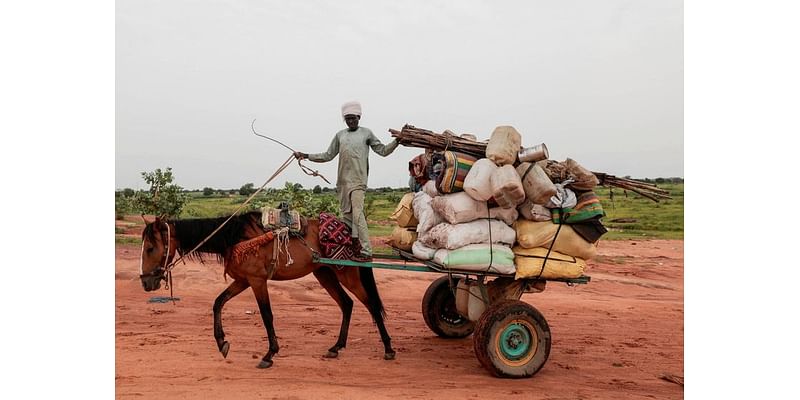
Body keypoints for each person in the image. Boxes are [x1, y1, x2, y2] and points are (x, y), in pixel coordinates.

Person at [294, 101, 398, 262]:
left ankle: (366, 251)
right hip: (342, 182)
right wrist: (306, 155)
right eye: (348, 119)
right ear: (345, 119)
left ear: (359, 117)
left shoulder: (366, 133)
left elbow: (383, 151)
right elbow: (327, 155)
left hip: (358, 182)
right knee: (347, 216)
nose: (351, 121)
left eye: (353, 118)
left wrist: (397, 141)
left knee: (357, 214)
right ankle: (353, 246)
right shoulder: (340, 135)